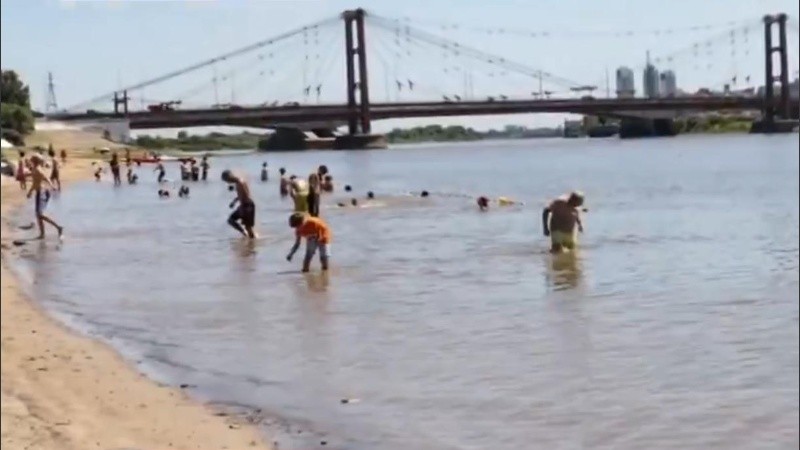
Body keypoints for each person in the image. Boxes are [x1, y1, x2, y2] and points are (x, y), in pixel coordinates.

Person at [27, 155, 63, 239]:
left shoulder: (37, 170)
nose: (30, 161)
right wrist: (51, 186)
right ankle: (43, 234)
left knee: (39, 215)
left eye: (31, 160)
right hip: (41, 192)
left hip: (41, 193)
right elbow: (41, 180)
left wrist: (30, 192)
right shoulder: (36, 169)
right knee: (39, 215)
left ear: (34, 161)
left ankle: (58, 227)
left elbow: (39, 182)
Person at [221, 169, 257, 239]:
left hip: (247, 206)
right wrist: (234, 201)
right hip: (245, 205)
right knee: (231, 220)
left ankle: (252, 243)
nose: (228, 182)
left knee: (248, 228)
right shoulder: (239, 182)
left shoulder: (240, 182)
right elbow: (242, 194)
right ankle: (246, 235)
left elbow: (246, 195)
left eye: (227, 180)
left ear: (229, 177)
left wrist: (242, 208)